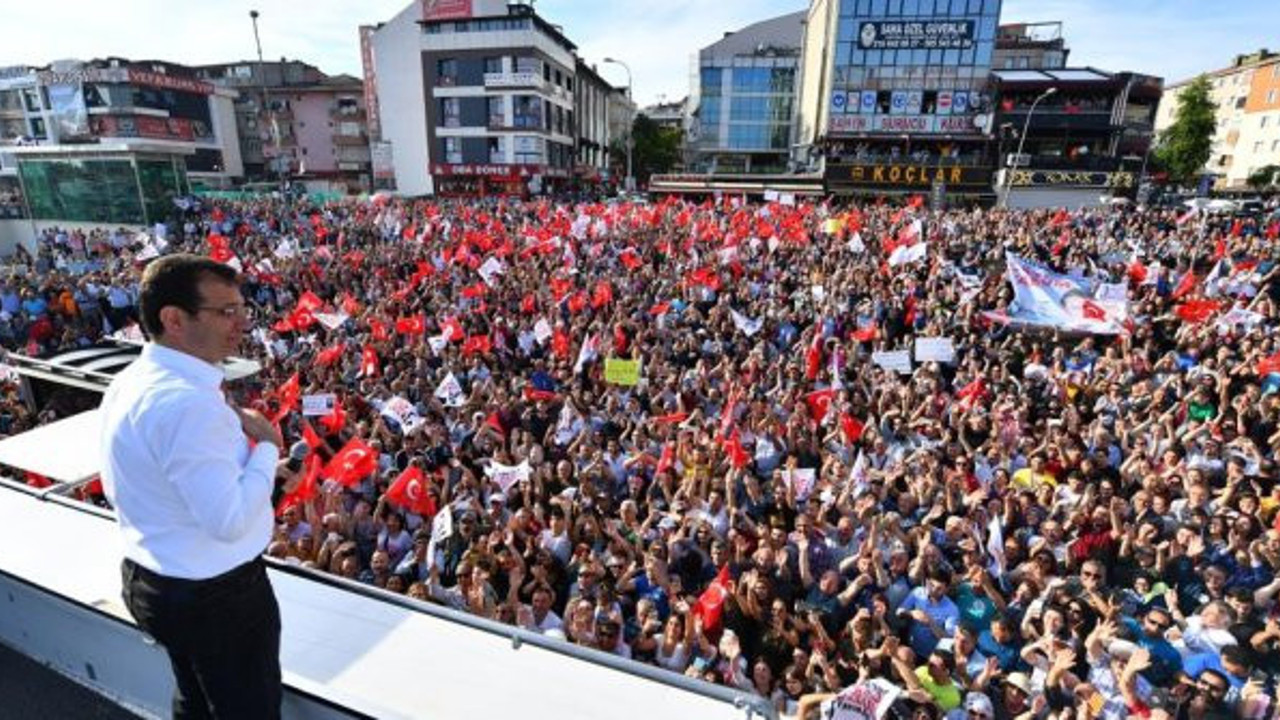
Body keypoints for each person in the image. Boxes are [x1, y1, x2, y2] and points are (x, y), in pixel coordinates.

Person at [100, 254, 290, 719]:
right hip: (217, 601)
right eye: (225, 311)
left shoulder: (129, 384)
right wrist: (266, 449)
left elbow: (121, 485)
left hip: (154, 582)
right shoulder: (188, 404)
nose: (242, 323)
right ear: (173, 319)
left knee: (195, 703)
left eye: (241, 309)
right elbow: (226, 522)